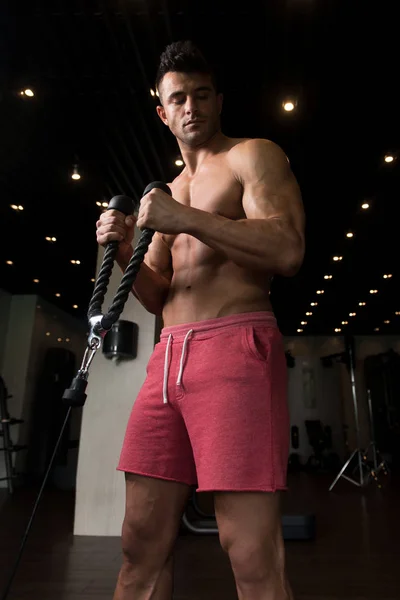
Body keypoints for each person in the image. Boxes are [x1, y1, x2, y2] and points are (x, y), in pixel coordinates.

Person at [96, 40, 305, 600]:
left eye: (202, 94)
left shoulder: (252, 156)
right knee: (140, 542)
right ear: (161, 112)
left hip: (236, 348)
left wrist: (184, 218)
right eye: (179, 98)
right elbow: (159, 293)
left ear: (219, 99)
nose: (192, 107)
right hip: (167, 360)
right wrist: (123, 253)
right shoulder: (168, 191)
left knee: (248, 549)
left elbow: (287, 249)